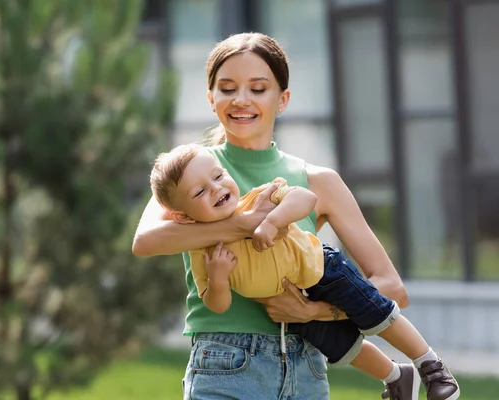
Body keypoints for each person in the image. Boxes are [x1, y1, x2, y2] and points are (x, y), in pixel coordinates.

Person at [131, 32, 425, 400]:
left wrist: (314, 312)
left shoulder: (316, 181)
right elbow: (145, 242)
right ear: (211, 98)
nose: (241, 100)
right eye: (226, 88)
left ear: (282, 99)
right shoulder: (187, 174)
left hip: (305, 369)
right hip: (223, 367)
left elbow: (391, 288)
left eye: (258, 88)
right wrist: (241, 223)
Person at [149, 143, 460, 400]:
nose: (216, 188)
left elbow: (304, 198)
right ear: (183, 216)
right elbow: (217, 304)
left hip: (323, 269)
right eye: (200, 192)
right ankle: (397, 377)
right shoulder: (202, 249)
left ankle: (430, 364)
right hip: (287, 303)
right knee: (341, 347)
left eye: (218, 176)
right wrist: (217, 278)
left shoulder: (258, 200)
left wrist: (272, 221)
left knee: (376, 312)